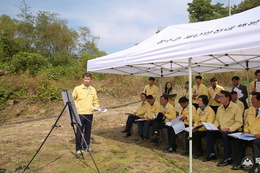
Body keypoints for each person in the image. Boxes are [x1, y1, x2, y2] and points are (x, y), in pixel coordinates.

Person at [203, 90, 243, 167]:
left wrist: (229, 129)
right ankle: (211, 153)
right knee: (209, 133)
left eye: (221, 97)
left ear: (228, 98)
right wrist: (213, 127)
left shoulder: (236, 107)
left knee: (225, 135)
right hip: (221, 129)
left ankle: (227, 158)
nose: (220, 98)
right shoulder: (220, 108)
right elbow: (217, 120)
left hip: (232, 130)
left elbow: (239, 122)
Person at [231, 92, 260, 171]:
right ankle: (241, 161)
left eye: (253, 99)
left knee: (256, 143)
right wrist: (246, 131)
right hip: (250, 136)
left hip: (258, 137)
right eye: (251, 99)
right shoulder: (251, 110)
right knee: (237, 140)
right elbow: (247, 123)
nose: (251, 101)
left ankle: (258, 164)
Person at [72, 72, 100, 154]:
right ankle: (78, 148)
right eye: (85, 79)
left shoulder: (93, 89)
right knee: (79, 131)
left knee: (88, 131)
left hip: (89, 113)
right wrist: (75, 109)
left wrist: (97, 106)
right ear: (83, 79)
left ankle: (86, 146)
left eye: (88, 79)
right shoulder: (77, 89)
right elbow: (72, 100)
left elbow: (95, 100)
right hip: (80, 113)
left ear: (91, 80)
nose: (87, 80)